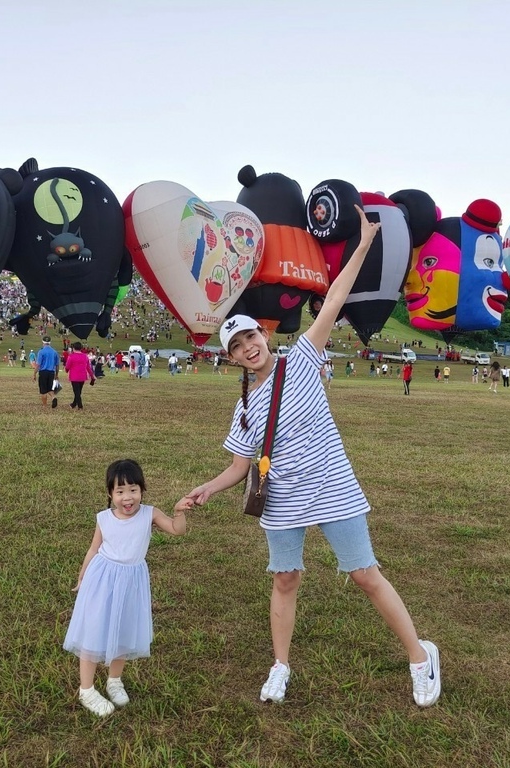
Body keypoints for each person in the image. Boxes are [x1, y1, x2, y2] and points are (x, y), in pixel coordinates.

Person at [182, 205, 441, 709]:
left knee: (365, 574)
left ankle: (419, 655)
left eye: (252, 336)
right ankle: (280, 666)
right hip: (281, 502)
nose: (248, 347)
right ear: (232, 357)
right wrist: (208, 488)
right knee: (285, 579)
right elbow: (240, 465)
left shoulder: (303, 357)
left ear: (265, 335)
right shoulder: (243, 404)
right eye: (237, 345)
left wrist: (364, 243)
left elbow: (334, 297)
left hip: (333, 488)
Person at [63, 459, 191, 717]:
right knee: (94, 630)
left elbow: (177, 530)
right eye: (120, 491)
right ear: (110, 494)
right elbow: (93, 549)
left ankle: (114, 680)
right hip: (102, 580)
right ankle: (86, 689)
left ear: (142, 490)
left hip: (132, 581)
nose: (127, 497)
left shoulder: (150, 514)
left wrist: (179, 511)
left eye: (133, 489)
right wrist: (82, 576)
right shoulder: (104, 518)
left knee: (123, 629)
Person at [64, 341, 97, 410]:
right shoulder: (85, 356)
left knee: (76, 392)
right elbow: (88, 367)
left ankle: (80, 406)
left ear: (73, 348)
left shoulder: (71, 356)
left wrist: (67, 370)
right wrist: (92, 376)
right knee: (78, 391)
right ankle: (73, 404)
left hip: (74, 376)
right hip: (82, 376)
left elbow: (67, 366)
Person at [36, 336, 61, 408]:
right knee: (50, 388)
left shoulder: (41, 351)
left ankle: (45, 405)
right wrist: (56, 374)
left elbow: (38, 364)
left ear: (43, 342)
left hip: (43, 372)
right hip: (51, 372)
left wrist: (34, 373)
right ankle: (53, 397)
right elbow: (57, 365)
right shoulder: (54, 352)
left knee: (43, 390)